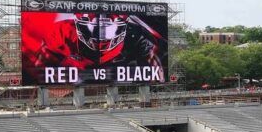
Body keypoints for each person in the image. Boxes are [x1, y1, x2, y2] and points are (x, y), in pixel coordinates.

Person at [25, 13, 166, 84]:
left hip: (119, 78)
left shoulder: (136, 36)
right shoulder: (62, 32)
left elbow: (156, 77)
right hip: (77, 81)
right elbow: (38, 74)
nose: (101, 37)